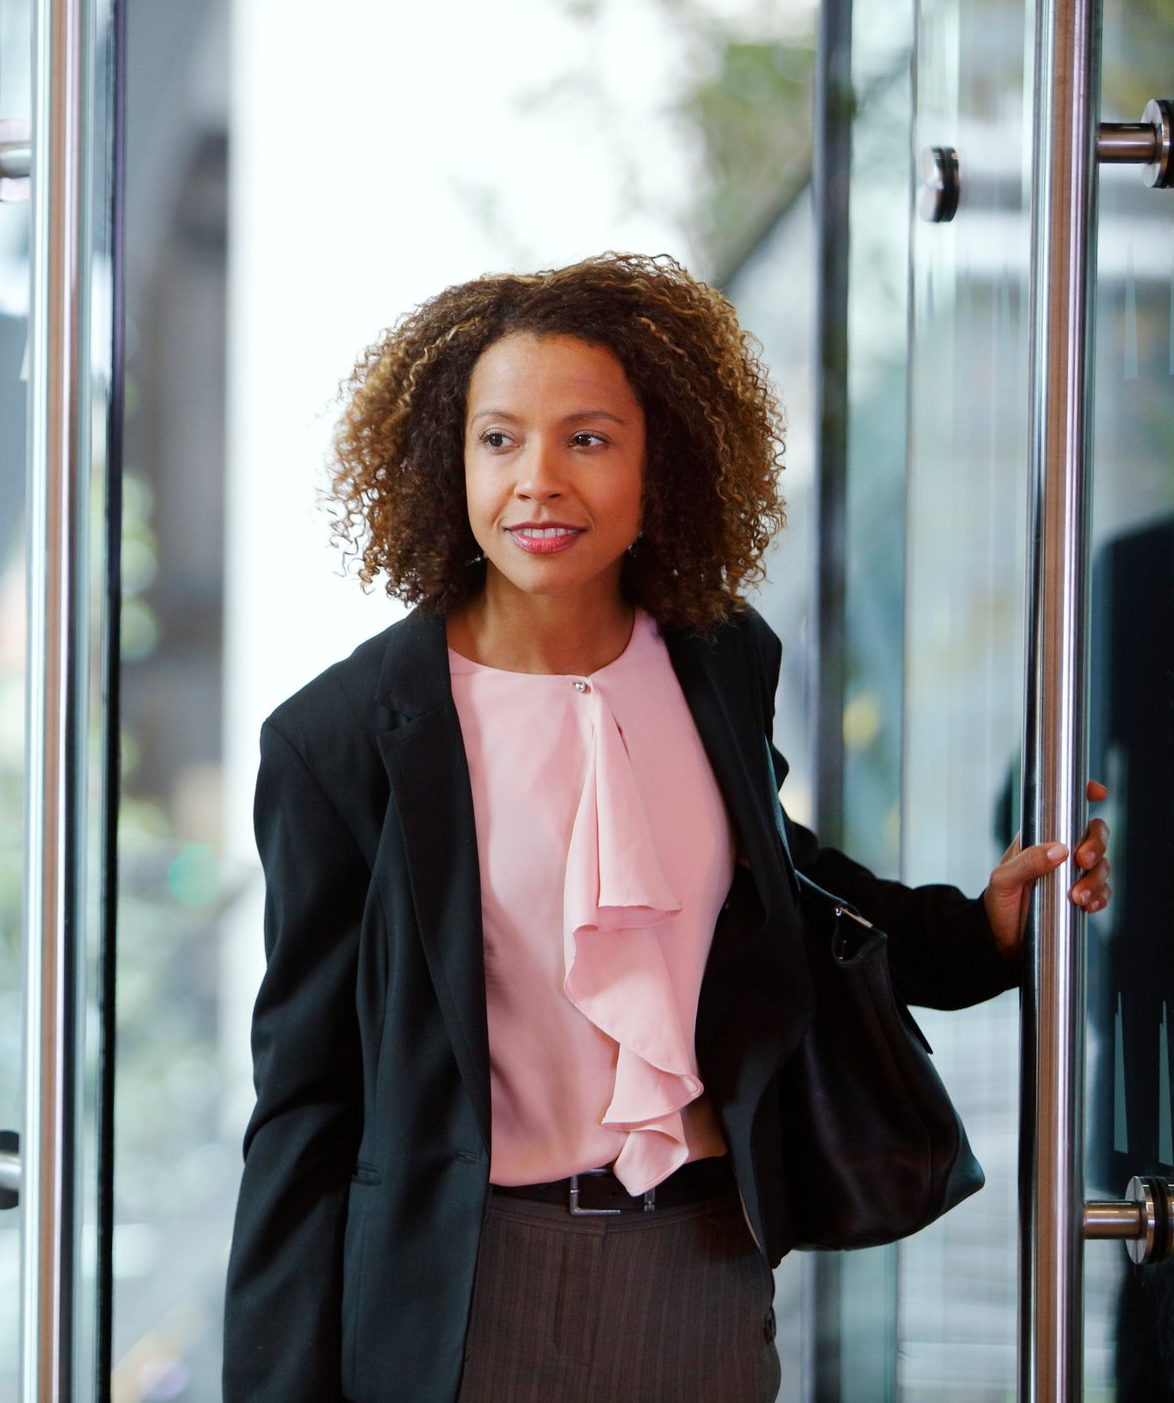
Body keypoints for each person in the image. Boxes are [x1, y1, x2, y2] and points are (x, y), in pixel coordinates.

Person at [220, 253, 1111, 1402]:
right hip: (461, 1292)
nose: (537, 480)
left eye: (587, 438)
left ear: (662, 468)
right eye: (499, 439)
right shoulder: (339, 740)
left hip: (702, 1262)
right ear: (448, 462)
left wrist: (979, 928)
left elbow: (780, 882)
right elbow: (305, 1101)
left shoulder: (718, 658)